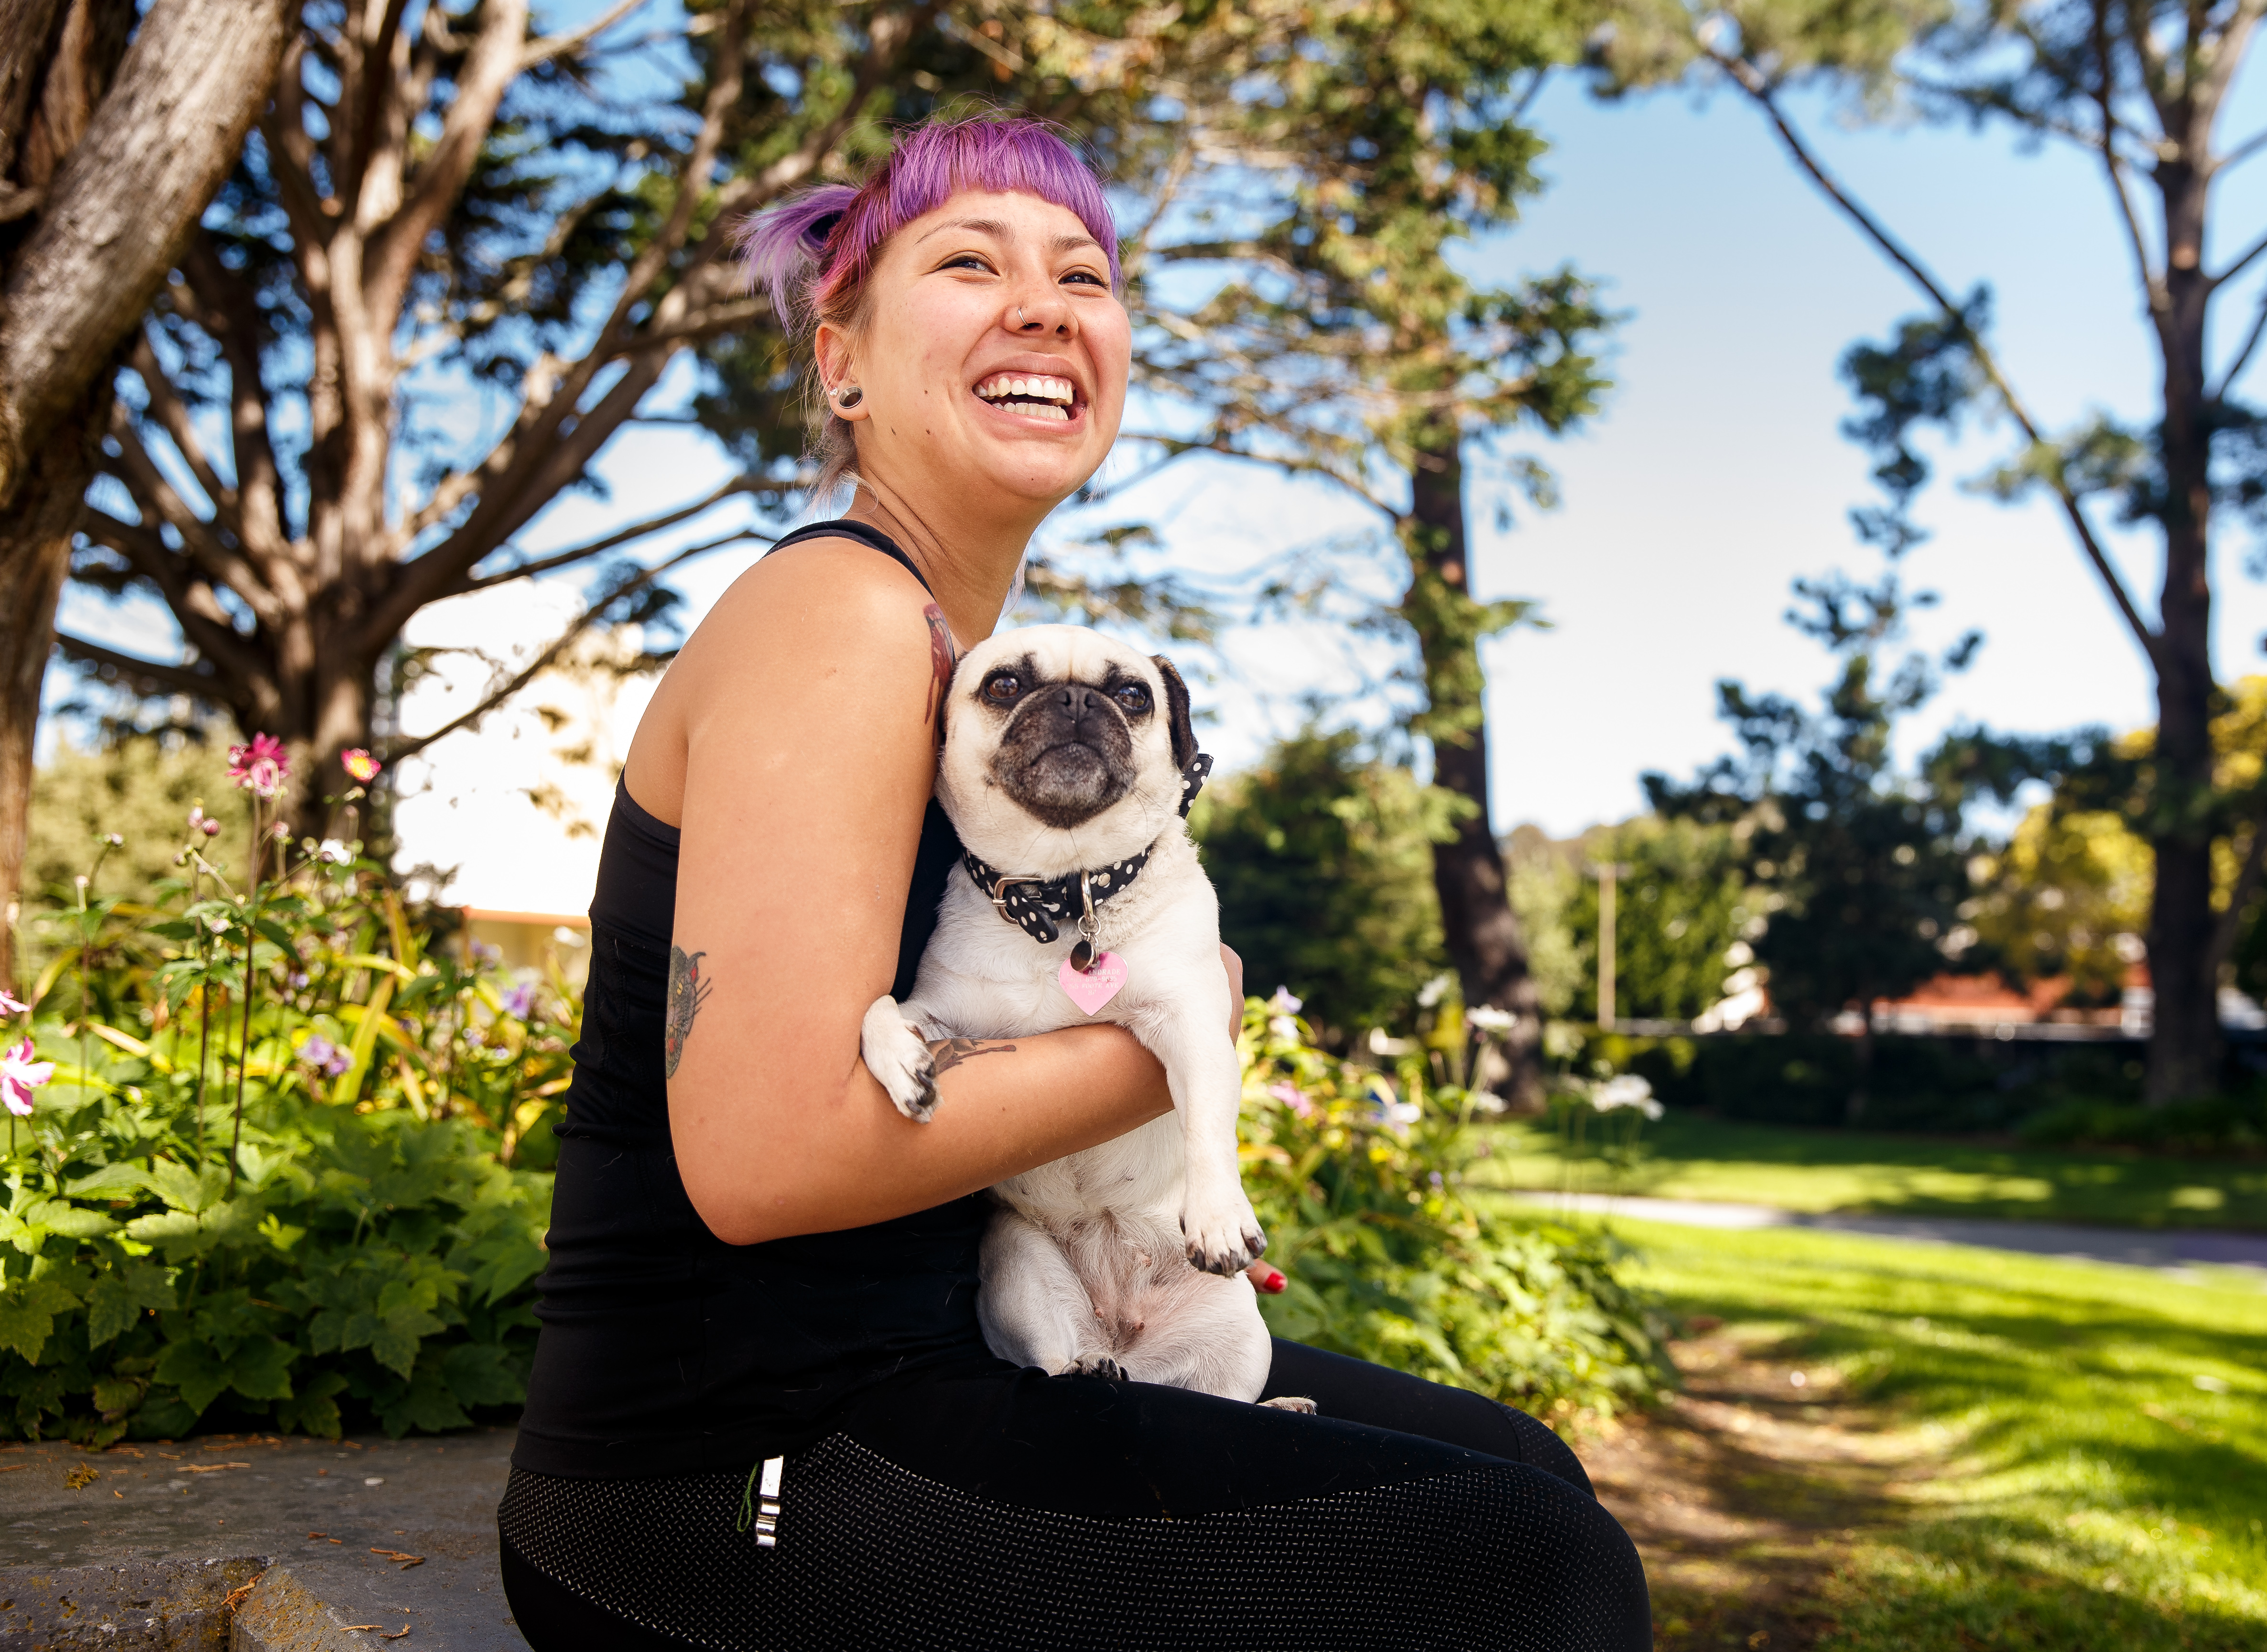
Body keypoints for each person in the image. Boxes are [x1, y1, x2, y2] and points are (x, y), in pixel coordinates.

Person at [497, 113, 1651, 1652]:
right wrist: (1164, 1045)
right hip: (722, 1488)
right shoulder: (838, 618)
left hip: (940, 1374)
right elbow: (764, 1160)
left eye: (1085, 276)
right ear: (838, 362)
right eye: (971, 262)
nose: (1045, 305)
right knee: (1530, 1570)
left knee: (1520, 1470)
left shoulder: (973, 669)